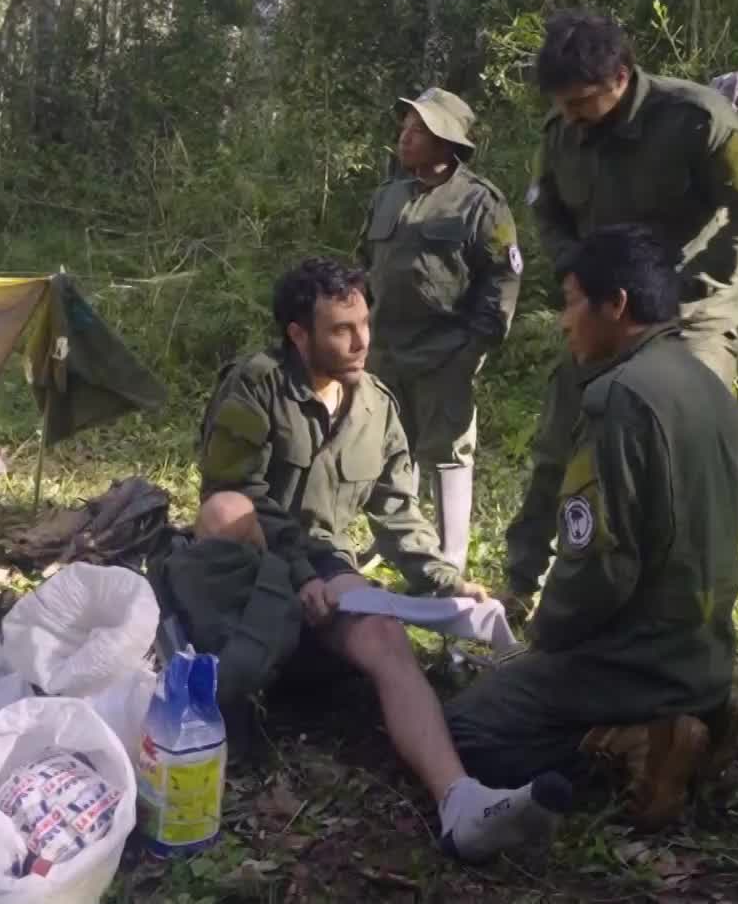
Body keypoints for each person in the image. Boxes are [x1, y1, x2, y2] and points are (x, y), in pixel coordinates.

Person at [195, 257, 570, 863]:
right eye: (341, 328)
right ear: (298, 334)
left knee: (385, 635)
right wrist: (297, 576)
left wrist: (448, 583)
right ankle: (219, 691)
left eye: (365, 323)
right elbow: (237, 492)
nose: (361, 339)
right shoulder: (257, 383)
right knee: (225, 510)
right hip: (257, 566)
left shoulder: (378, 405)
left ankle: (459, 802)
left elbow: (398, 515)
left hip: (326, 569)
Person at [446, 224, 738, 827]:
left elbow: (599, 566)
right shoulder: (712, 388)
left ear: (615, 305)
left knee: (465, 732)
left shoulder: (618, 397)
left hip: (637, 659)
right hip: (706, 650)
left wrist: (545, 638)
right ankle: (701, 717)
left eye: (571, 301)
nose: (564, 321)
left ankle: (638, 745)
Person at [503, 8, 738, 608]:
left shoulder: (696, 120)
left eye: (582, 103)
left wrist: (691, 285)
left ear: (621, 78)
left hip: (690, 315)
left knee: (696, 449)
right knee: (563, 437)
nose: (572, 117)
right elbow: (546, 208)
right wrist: (578, 270)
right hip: (606, 311)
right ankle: (519, 583)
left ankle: (699, 599)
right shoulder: (561, 134)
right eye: (562, 105)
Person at [359, 87, 521, 570]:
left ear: (446, 143)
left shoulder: (480, 203)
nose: (404, 137)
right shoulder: (388, 196)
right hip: (385, 350)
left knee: (448, 452)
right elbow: (365, 264)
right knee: (387, 449)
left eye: (418, 130)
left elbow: (502, 275)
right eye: (405, 127)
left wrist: (475, 346)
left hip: (445, 352)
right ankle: (391, 543)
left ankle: (450, 556)